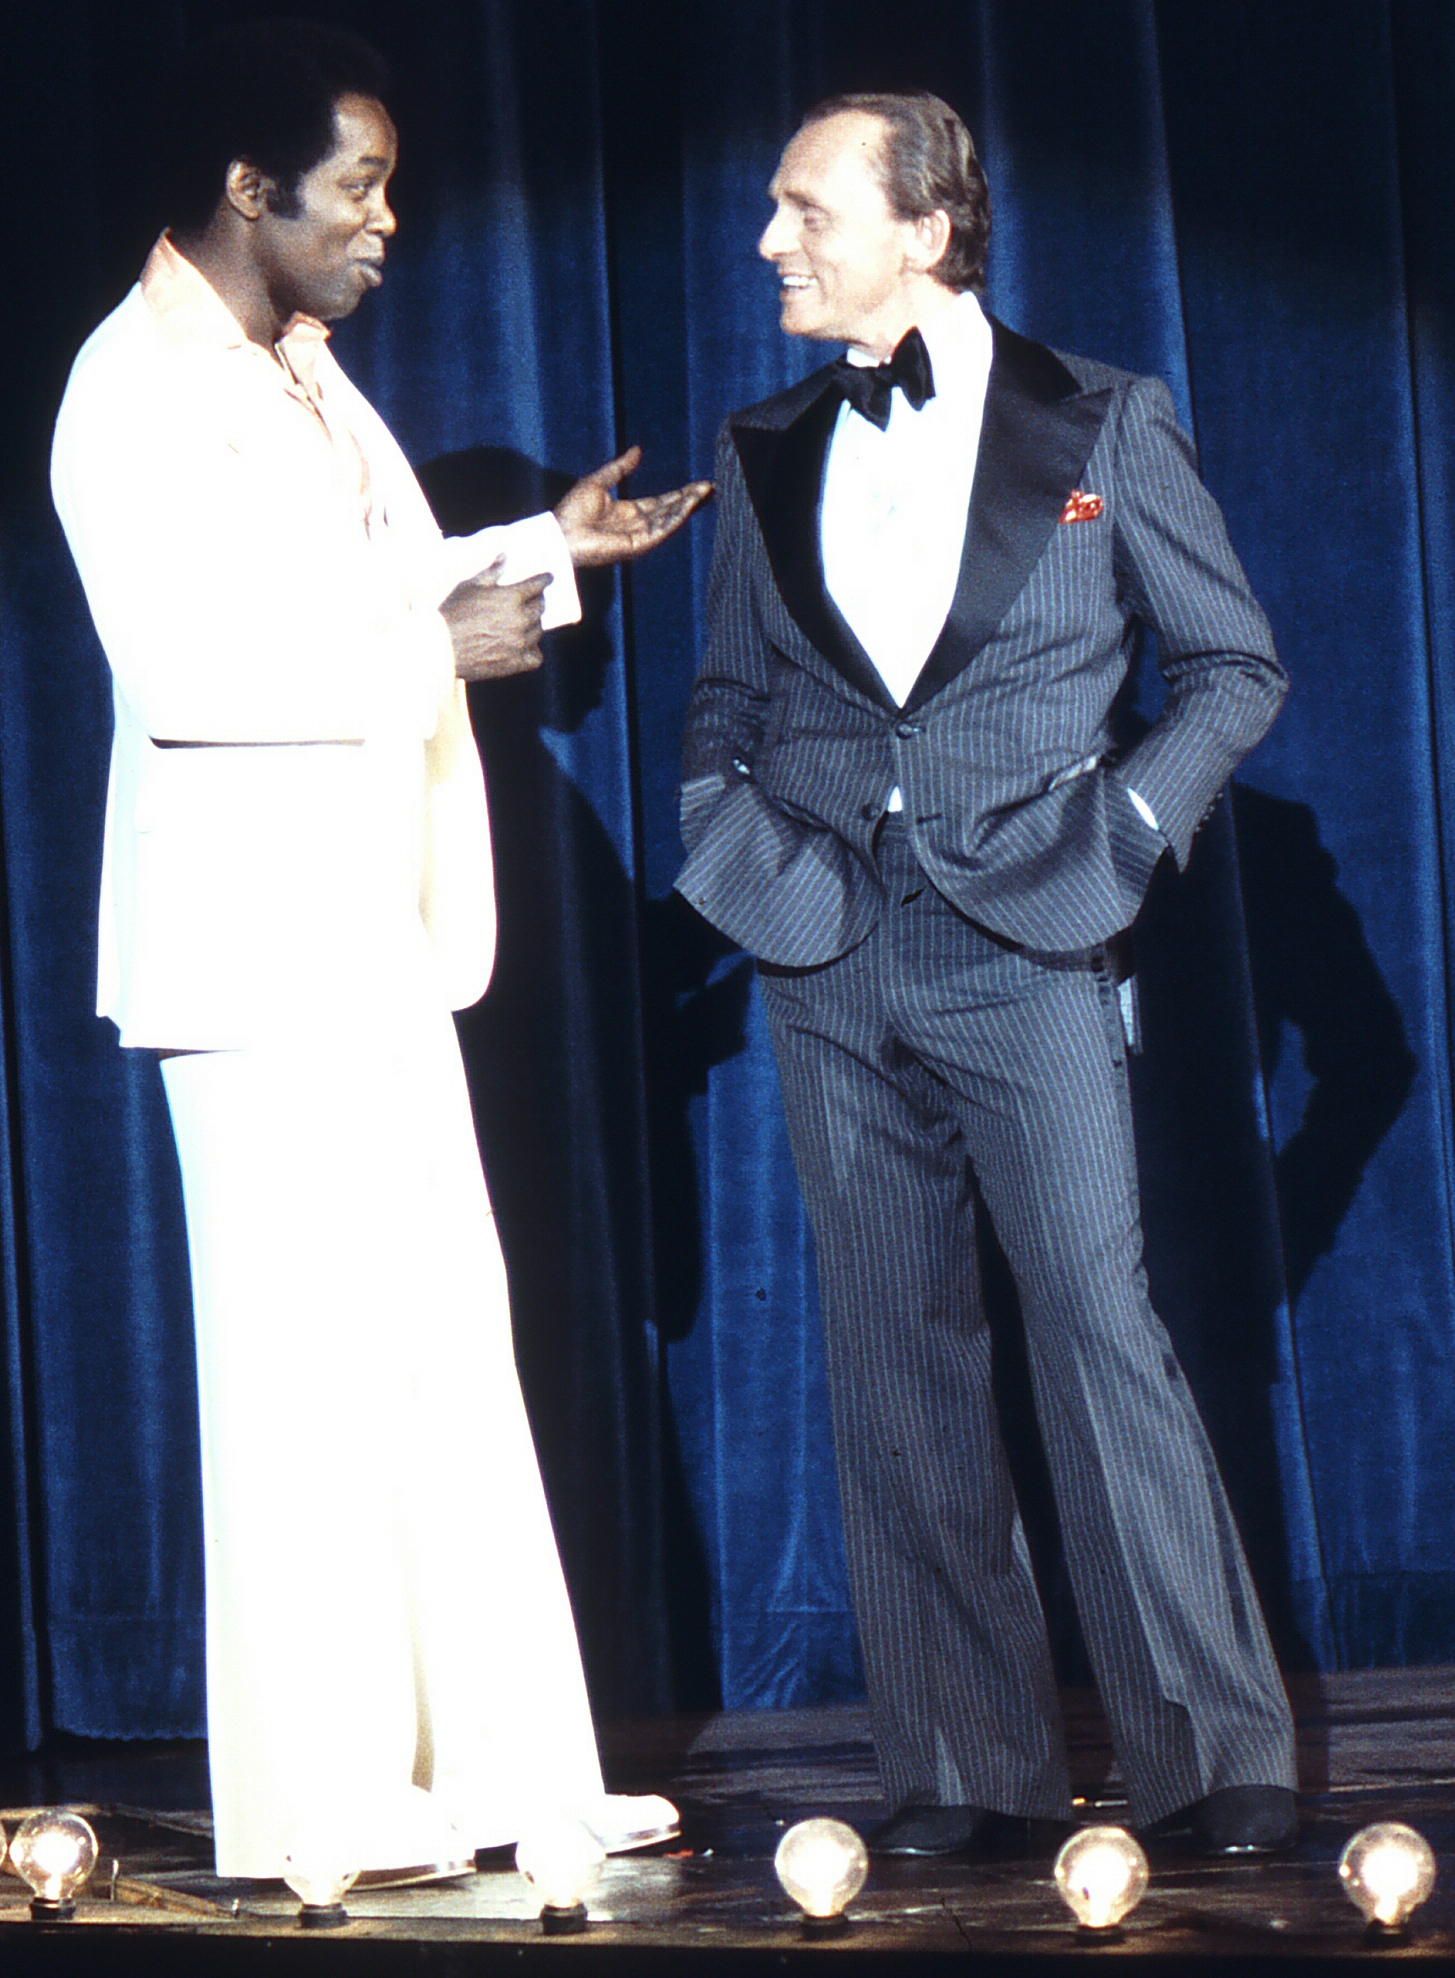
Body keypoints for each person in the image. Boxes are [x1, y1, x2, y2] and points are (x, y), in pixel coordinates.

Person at [51, 20, 709, 1882]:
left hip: (367, 943)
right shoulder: (131, 390)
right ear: (249, 193)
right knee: (305, 1381)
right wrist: (445, 653)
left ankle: (509, 1775)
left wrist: (544, 549)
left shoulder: (308, 377)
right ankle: (329, 1797)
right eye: (359, 188)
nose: (390, 223)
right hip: (253, 970)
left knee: (440, 1356)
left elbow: (344, 593)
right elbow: (193, 671)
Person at [677, 91, 1298, 1858]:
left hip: (1029, 943)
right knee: (896, 1356)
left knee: (1101, 1328)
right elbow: (727, 705)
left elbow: (1233, 668)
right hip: (828, 944)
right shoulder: (767, 440)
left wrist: (1118, 837)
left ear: (925, 232)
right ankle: (962, 1763)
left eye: (805, 209)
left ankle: (1212, 1748)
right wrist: (741, 852)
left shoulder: (1103, 421)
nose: (772, 239)